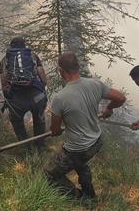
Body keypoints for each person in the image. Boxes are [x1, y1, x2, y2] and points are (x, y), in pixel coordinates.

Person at [44, 52, 126, 200]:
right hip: (96, 142)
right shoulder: (95, 84)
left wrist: (56, 130)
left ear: (62, 71)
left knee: (49, 173)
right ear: (77, 67)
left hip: (77, 149)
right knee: (79, 161)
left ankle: (79, 197)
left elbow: (55, 131)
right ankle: (90, 194)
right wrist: (109, 108)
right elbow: (121, 98)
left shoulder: (60, 98)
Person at [0, 37, 47, 147]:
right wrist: (40, 91)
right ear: (24, 45)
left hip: (17, 99)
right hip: (36, 97)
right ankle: (40, 146)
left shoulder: (4, 60)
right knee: (39, 119)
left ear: (11, 46)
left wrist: (8, 98)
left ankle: (26, 148)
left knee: (17, 122)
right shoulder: (33, 56)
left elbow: (4, 84)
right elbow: (44, 80)